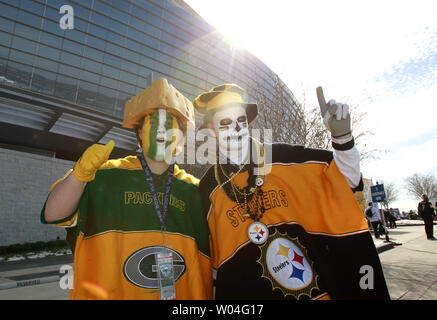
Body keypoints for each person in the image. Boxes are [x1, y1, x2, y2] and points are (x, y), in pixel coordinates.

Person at [193, 84, 390, 300]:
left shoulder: (285, 157)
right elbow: (215, 261)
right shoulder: (208, 188)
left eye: (241, 121)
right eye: (225, 123)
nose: (236, 129)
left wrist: (342, 139)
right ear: (211, 130)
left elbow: (343, 182)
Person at [41, 78, 212, 300]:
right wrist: (79, 175)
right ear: (140, 132)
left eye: (170, 125)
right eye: (154, 123)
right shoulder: (104, 175)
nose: (162, 131)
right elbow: (53, 214)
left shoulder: (195, 190)